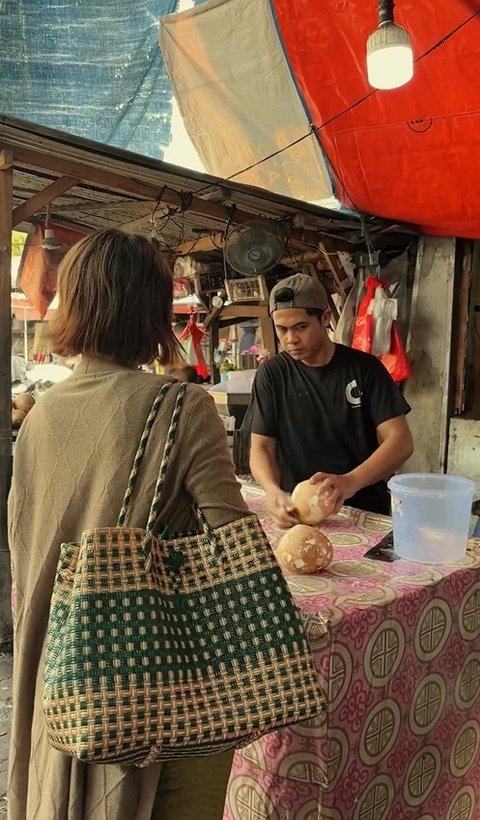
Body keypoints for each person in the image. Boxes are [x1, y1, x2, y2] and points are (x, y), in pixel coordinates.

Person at [8, 229, 249, 820]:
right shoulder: (181, 407)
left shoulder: (39, 417)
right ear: (150, 311)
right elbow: (236, 546)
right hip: (155, 690)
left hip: (54, 680)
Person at [248, 273, 413, 527]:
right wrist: (272, 490)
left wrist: (351, 481)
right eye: (282, 329)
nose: (290, 339)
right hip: (299, 516)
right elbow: (261, 447)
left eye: (300, 327)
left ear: (325, 318)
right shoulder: (272, 375)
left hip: (363, 512)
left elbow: (400, 441)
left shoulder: (365, 369)